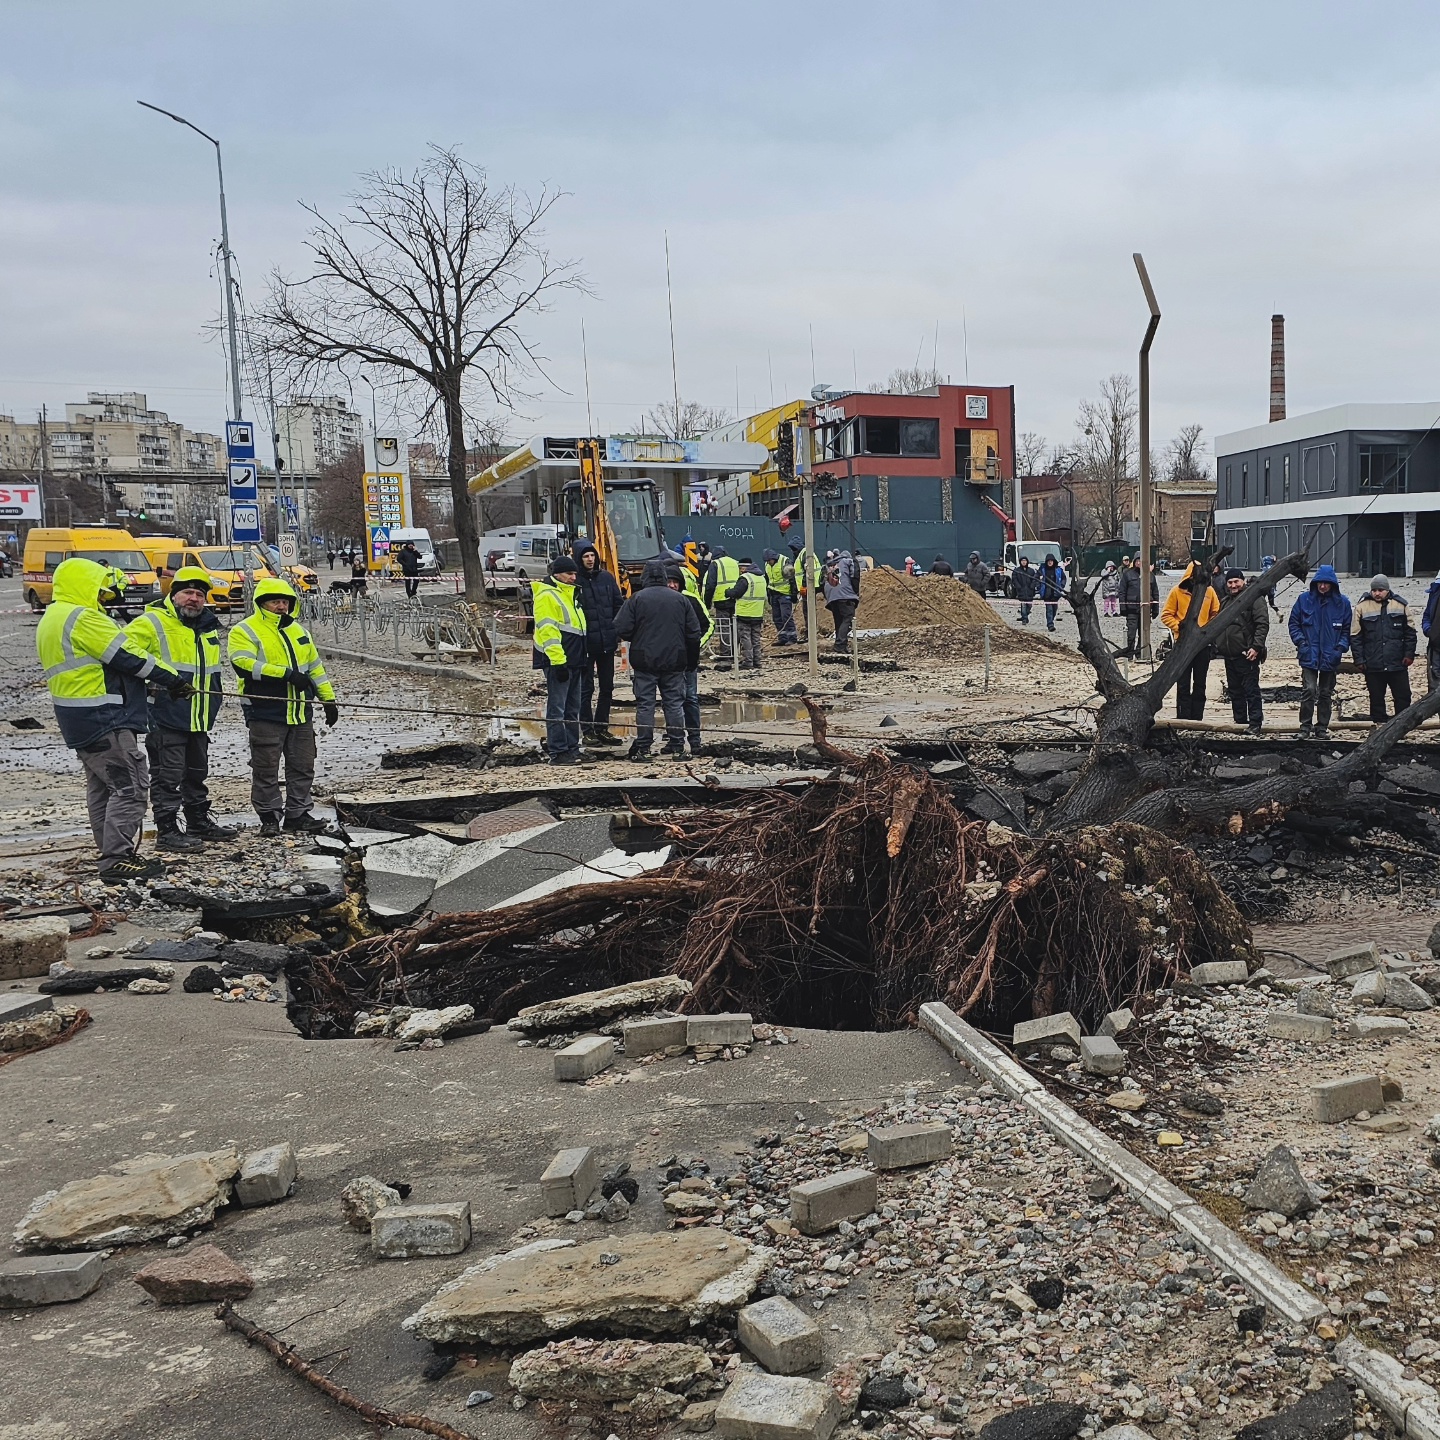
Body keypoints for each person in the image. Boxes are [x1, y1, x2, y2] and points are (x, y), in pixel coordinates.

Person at [37, 558, 186, 881]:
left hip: (79, 718)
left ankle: (111, 853)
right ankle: (117, 860)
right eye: (101, 590)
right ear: (85, 585)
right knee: (130, 786)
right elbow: (128, 655)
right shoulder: (82, 618)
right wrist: (172, 678)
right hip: (105, 717)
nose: (106, 597)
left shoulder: (53, 617)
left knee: (104, 789)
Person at [125, 566, 236, 851]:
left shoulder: (207, 626)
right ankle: (167, 831)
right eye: (188, 592)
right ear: (174, 595)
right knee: (167, 776)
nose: (194, 599)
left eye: (199, 594)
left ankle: (198, 820)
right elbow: (124, 655)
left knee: (196, 773)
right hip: (166, 715)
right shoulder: (152, 622)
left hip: (199, 717)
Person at [227, 577, 339, 834]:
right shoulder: (245, 630)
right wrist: (285, 674)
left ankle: (298, 814)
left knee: (303, 765)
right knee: (266, 767)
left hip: (300, 712)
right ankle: (269, 818)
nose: (281, 607)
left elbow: (316, 669)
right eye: (275, 602)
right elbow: (242, 663)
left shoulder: (299, 632)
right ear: (262, 604)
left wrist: (328, 699)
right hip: (265, 710)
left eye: (285, 602)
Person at [615, 559, 701, 760]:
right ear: (664, 576)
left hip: (644, 659)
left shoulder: (636, 599)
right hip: (674, 660)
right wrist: (691, 659)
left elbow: (621, 628)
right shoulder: (680, 600)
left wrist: (638, 636)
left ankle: (644, 748)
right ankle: (678, 747)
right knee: (674, 704)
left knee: (645, 704)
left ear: (645, 577)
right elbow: (693, 632)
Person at [530, 555, 589, 765]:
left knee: (573, 708)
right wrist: (558, 661)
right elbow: (548, 630)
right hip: (558, 660)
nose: (574, 577)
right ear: (557, 574)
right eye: (569, 573)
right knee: (558, 708)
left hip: (574, 658)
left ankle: (572, 748)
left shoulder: (570, 593)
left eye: (575, 573)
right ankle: (558, 752)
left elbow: (576, 629)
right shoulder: (547, 595)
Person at [1288, 564, 1351, 739]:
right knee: (1309, 689)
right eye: (1320, 583)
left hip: (1331, 655)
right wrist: (1301, 643)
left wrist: (1340, 648)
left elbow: (1347, 630)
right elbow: (1294, 623)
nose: (1322, 586)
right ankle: (1305, 727)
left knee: (1325, 692)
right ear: (1315, 583)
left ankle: (1322, 727)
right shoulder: (1303, 600)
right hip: (1309, 653)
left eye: (1326, 583)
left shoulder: (1343, 604)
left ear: (1332, 584)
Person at [571, 540, 624, 747]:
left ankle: (602, 727)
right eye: (585, 556)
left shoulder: (607, 578)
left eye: (592, 555)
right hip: (585, 644)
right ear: (579, 558)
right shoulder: (575, 582)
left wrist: (616, 632)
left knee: (607, 686)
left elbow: (618, 605)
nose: (590, 559)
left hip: (606, 642)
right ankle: (587, 729)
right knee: (586, 688)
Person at [1352, 574, 1417, 723]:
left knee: (1403, 696)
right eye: (1374, 590)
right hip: (1373, 663)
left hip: (1397, 662)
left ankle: (1402, 725)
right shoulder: (1362, 607)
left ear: (1387, 590)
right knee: (1376, 698)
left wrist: (1409, 654)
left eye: (1380, 590)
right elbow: (1355, 636)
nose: (1377, 593)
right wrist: (1359, 660)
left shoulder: (1401, 605)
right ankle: (1379, 725)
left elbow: (1410, 634)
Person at [1211, 568, 1268, 734]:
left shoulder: (1254, 599)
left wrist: (1256, 647)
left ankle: (1256, 723)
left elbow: (1262, 624)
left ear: (1242, 581)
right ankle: (1240, 722)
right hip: (1229, 655)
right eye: (1230, 582)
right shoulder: (1226, 601)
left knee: (1251, 690)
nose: (1233, 585)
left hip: (1247, 653)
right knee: (1235, 691)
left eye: (1236, 581)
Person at [1160, 562, 1220, 718]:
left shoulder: (1210, 592)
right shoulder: (1176, 592)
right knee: (1183, 684)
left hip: (1202, 645)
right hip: (1182, 645)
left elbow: (1216, 613)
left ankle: (1197, 717)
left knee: (1200, 684)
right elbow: (1166, 615)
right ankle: (1183, 717)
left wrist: (1207, 630)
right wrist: (1179, 627)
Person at [679, 561, 712, 755]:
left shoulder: (691, 600)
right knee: (673, 700)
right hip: (670, 661)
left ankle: (694, 739)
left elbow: (707, 625)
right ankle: (675, 739)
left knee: (689, 698)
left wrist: (695, 645)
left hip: (689, 660)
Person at [702, 544, 741, 664]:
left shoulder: (715, 564)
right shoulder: (736, 563)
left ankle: (726, 654)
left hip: (721, 600)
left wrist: (707, 603)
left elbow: (710, 585)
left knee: (724, 628)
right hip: (736, 599)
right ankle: (735, 652)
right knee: (735, 625)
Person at [1118, 553, 1159, 657]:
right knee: (1131, 634)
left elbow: (1155, 593)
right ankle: (1129, 654)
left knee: (1144, 634)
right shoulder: (1127, 574)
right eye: (1137, 560)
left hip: (1146, 610)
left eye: (1141, 561)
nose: (1139, 562)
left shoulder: (1150, 576)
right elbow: (1122, 591)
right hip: (1132, 610)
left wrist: (1155, 609)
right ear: (1134, 562)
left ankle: (1140, 654)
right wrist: (1123, 608)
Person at [732, 558, 768, 671]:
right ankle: (757, 661)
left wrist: (727, 592)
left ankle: (748, 661)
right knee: (756, 638)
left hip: (745, 614)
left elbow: (736, 593)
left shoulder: (745, 578)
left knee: (745, 638)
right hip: (757, 614)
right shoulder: (762, 578)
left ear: (744, 567)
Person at [823, 549, 861, 651]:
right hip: (845, 595)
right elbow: (855, 577)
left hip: (832, 597)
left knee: (839, 621)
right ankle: (840, 645)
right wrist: (855, 592)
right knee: (848, 619)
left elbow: (823, 582)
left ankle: (839, 644)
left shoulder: (830, 565)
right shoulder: (849, 561)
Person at [763, 547, 797, 645]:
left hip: (784, 594)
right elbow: (767, 580)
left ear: (774, 557)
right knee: (776, 617)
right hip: (774, 594)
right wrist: (769, 594)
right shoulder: (767, 565)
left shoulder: (785, 562)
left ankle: (792, 638)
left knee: (786, 616)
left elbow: (792, 579)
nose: (769, 562)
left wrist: (793, 593)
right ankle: (783, 637)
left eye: (770, 560)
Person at [1036, 554, 1066, 632]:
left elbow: (1063, 578)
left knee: (1054, 609)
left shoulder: (1058, 569)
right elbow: (1036, 578)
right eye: (1048, 561)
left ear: (1053, 561)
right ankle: (1050, 624)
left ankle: (1051, 620)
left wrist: (1061, 587)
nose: (1050, 562)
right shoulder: (1042, 570)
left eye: (1051, 561)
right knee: (1049, 609)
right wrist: (1039, 588)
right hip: (1046, 593)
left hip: (1056, 593)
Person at [1423, 570, 1440, 693]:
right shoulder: (1435, 592)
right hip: (1436, 645)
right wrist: (1429, 630)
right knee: (1435, 682)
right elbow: (1427, 615)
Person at [1010, 555, 1039, 624]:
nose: (1024, 562)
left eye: (1025, 561)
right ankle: (1024, 619)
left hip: (1030, 591)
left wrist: (1032, 586)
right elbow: (1014, 579)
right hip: (1021, 590)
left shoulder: (1031, 570)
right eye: (1022, 561)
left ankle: (1025, 615)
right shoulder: (1017, 570)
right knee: (1023, 605)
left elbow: (1035, 579)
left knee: (1029, 605)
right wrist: (1018, 586)